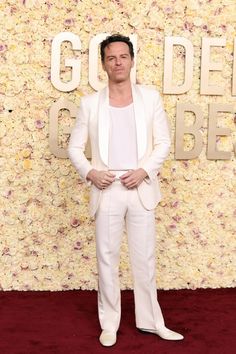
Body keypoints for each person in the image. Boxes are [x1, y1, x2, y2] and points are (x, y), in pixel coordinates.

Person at [68, 34, 184, 347]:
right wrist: (92, 173)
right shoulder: (90, 103)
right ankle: (109, 324)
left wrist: (144, 171)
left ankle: (150, 321)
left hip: (140, 186)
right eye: (111, 58)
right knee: (107, 257)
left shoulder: (150, 98)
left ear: (131, 60)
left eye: (123, 56)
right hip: (107, 190)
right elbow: (75, 147)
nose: (118, 62)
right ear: (103, 64)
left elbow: (162, 143)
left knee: (144, 258)